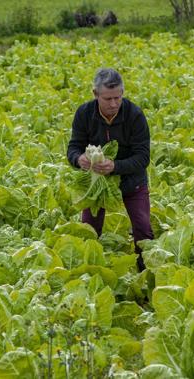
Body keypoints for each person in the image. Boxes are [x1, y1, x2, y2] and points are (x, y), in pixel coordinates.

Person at [67, 68, 153, 271]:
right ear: (95, 94)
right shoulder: (84, 114)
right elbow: (73, 147)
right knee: (89, 231)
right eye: (108, 99)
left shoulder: (134, 115)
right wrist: (79, 159)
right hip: (96, 185)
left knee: (143, 230)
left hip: (132, 181)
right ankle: (89, 272)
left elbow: (143, 157)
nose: (114, 104)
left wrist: (115, 166)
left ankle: (146, 272)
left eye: (118, 98)